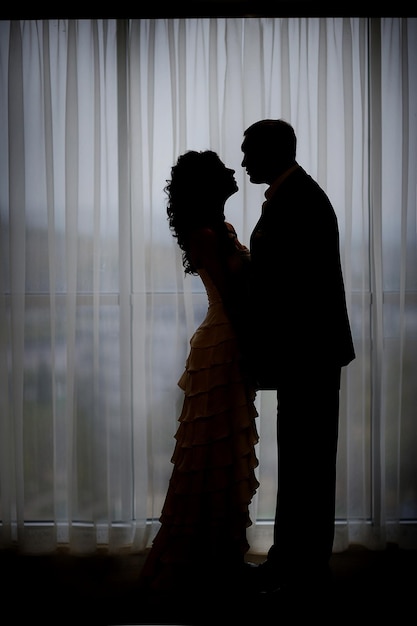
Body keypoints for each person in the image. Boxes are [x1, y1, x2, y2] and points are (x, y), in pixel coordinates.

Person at [241, 119, 356, 596]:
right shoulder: (298, 194)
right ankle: (295, 559)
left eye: (249, 151)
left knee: (307, 464)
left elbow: (293, 288)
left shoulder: (301, 200)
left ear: (273, 152)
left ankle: (304, 566)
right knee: (301, 461)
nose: (244, 160)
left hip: (309, 355)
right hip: (306, 355)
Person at [138, 150, 259, 600]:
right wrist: (255, 350)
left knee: (224, 450)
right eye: (224, 169)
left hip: (227, 339)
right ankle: (204, 562)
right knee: (213, 450)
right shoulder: (205, 234)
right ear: (210, 185)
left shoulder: (221, 230)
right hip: (223, 342)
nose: (234, 172)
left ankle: (222, 555)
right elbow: (234, 300)